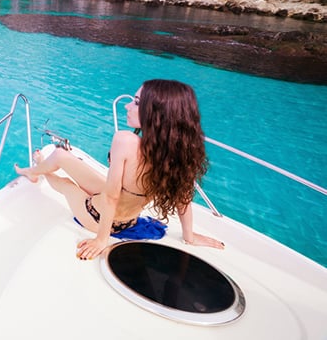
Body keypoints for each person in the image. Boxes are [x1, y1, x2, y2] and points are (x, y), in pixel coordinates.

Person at [15, 79, 225, 260]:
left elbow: (112, 197)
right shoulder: (178, 154)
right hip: (128, 217)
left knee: (66, 184)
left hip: (96, 217)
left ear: (157, 114)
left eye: (136, 103)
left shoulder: (126, 140)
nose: (127, 107)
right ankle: (37, 168)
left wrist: (101, 239)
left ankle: (36, 171)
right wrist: (189, 235)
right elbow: (183, 196)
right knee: (61, 155)